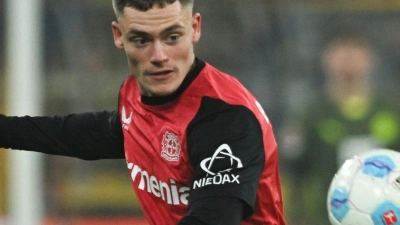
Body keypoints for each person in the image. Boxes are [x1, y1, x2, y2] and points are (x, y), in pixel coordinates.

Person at [0, 0, 286, 224]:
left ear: (195, 28)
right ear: (118, 35)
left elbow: (213, 217)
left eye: (172, 37)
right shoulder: (133, 95)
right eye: (141, 40)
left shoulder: (226, 118)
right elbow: (83, 133)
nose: (159, 56)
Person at [280, 33, 400, 225]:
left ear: (371, 58)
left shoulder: (393, 110)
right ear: (325, 59)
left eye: (356, 47)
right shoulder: (310, 116)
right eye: (340, 48)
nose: (349, 55)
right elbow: (293, 175)